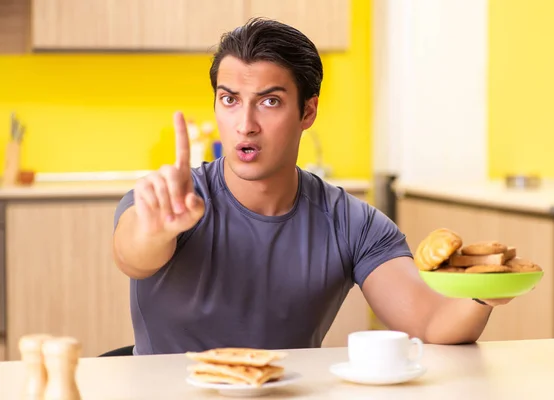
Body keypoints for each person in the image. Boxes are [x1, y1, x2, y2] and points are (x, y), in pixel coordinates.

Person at [112, 18, 512, 356]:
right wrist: (157, 230)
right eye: (230, 99)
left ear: (308, 111)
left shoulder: (352, 223)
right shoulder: (172, 201)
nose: (245, 124)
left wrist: (482, 293)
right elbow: (133, 256)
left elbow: (429, 321)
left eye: (269, 102)